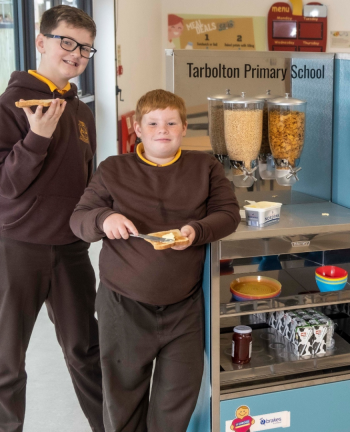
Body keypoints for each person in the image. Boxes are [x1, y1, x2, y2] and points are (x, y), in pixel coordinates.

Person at [70, 89, 241, 431]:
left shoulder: (204, 167)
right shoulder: (113, 169)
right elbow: (79, 219)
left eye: (171, 122)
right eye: (153, 122)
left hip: (184, 307)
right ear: (138, 127)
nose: (162, 129)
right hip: (124, 305)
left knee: (177, 398)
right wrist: (105, 218)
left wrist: (195, 231)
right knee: (123, 398)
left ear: (183, 127)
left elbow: (228, 214)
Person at [0, 5, 103, 431]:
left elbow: (86, 183)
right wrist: (37, 137)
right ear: (41, 42)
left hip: (70, 249)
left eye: (86, 48)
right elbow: (2, 183)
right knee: (7, 359)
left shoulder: (82, 111)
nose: (76, 53)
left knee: (86, 350)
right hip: (16, 247)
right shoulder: (12, 103)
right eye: (67, 42)